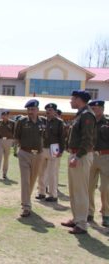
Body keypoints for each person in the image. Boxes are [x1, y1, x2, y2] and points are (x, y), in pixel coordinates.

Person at [62, 90, 95, 234]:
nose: (70, 101)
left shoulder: (87, 115)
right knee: (74, 189)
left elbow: (87, 139)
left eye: (72, 99)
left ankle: (82, 223)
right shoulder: (80, 114)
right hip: (75, 154)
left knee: (81, 190)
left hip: (81, 155)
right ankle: (76, 219)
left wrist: (78, 156)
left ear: (79, 99)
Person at [14, 99, 44, 217]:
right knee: (25, 180)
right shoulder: (22, 121)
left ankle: (26, 200)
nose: (30, 111)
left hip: (39, 154)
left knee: (32, 180)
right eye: (29, 109)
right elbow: (17, 137)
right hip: (25, 153)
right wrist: (17, 150)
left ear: (38, 110)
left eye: (33, 109)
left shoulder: (43, 122)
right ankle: (26, 206)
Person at [36, 103, 65, 202]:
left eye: (50, 110)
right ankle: (41, 192)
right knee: (41, 172)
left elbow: (62, 137)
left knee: (52, 173)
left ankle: (53, 194)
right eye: (47, 110)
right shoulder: (42, 121)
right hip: (42, 148)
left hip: (54, 148)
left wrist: (61, 150)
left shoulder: (59, 122)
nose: (48, 111)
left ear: (55, 112)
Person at [87, 100, 109, 227]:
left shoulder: (107, 123)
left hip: (105, 157)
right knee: (89, 187)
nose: (94, 110)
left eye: (96, 108)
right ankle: (89, 212)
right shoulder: (88, 122)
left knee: (105, 188)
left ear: (102, 109)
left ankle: (106, 214)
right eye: (92, 108)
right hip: (91, 156)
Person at [0, 111, 15, 180]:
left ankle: (4, 173)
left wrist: (13, 140)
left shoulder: (12, 123)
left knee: (6, 158)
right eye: (3, 115)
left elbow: (15, 132)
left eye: (6, 115)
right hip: (0, 140)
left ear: (8, 116)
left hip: (8, 141)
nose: (4, 116)